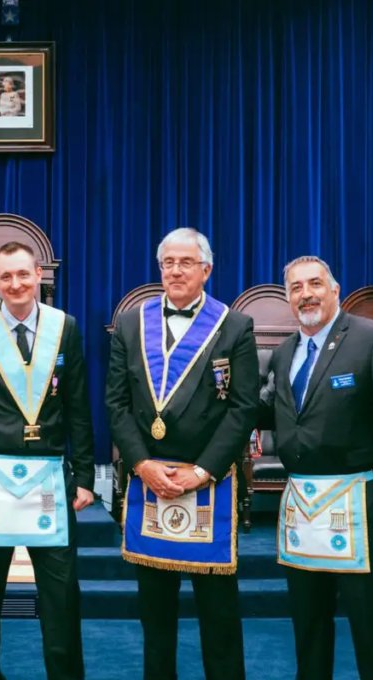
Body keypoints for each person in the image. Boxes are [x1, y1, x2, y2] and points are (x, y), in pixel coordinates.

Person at [259, 256, 373, 680]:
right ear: (288, 298)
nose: (306, 293)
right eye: (296, 287)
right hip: (302, 508)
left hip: (361, 506)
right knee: (307, 622)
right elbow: (271, 411)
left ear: (335, 290)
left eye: (315, 284)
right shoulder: (283, 354)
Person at [0, 241, 95, 680]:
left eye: (23, 274)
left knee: (61, 599)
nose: (15, 284)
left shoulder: (66, 327)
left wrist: (85, 476)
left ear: (39, 274)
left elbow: (79, 407)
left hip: (48, 477)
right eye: (5, 277)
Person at [105, 227, 256, 680]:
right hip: (148, 482)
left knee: (220, 617)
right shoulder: (131, 322)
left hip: (208, 481)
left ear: (206, 269)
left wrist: (203, 470)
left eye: (185, 262)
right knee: (154, 617)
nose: (174, 270)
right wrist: (141, 463)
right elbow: (114, 403)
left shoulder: (234, 325)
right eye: (167, 262)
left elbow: (244, 407)